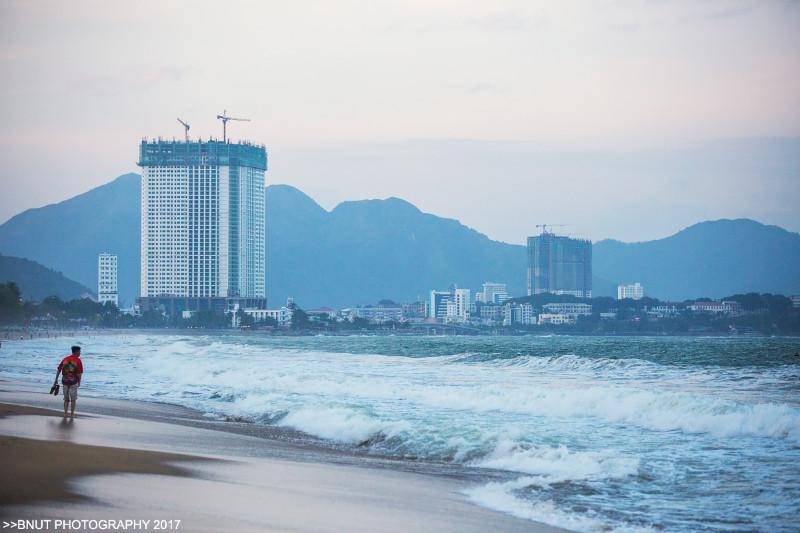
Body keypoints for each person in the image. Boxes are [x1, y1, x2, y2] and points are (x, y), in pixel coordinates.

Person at [55, 346, 83, 419]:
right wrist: (79, 382)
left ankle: (65, 413)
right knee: (73, 399)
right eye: (79, 352)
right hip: (73, 382)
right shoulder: (78, 360)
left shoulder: (65, 359)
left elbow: (59, 369)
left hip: (64, 381)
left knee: (66, 398)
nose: (80, 353)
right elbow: (79, 373)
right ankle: (72, 414)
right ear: (76, 352)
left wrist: (56, 379)